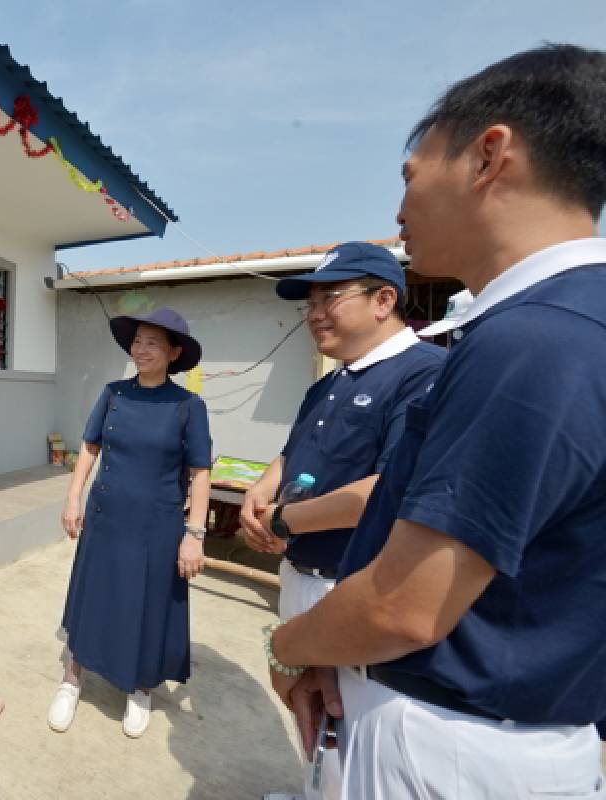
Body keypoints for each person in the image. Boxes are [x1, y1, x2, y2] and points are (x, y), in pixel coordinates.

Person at [265, 44, 606, 799]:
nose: (399, 210)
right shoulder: (566, 324)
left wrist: (286, 645)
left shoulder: (534, 339)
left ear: (489, 155)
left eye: (410, 176)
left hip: (451, 739)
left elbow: (402, 603)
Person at [240, 242, 444, 800]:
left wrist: (284, 522)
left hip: (355, 586)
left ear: (384, 300)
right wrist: (258, 496)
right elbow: (289, 455)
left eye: (330, 298)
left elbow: (387, 490)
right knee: (310, 710)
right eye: (309, 303)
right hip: (300, 578)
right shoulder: (327, 385)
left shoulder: (424, 374)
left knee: (357, 728)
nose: (315, 314)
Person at [49, 308, 213, 739]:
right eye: (138, 341)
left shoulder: (188, 406)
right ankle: (71, 679)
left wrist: (194, 535)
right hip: (106, 519)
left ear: (173, 353)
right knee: (93, 596)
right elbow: (89, 446)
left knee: (148, 604)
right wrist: (73, 498)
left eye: (153, 343)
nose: (141, 349)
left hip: (157, 527)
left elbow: (200, 473)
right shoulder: (114, 394)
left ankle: (141, 688)